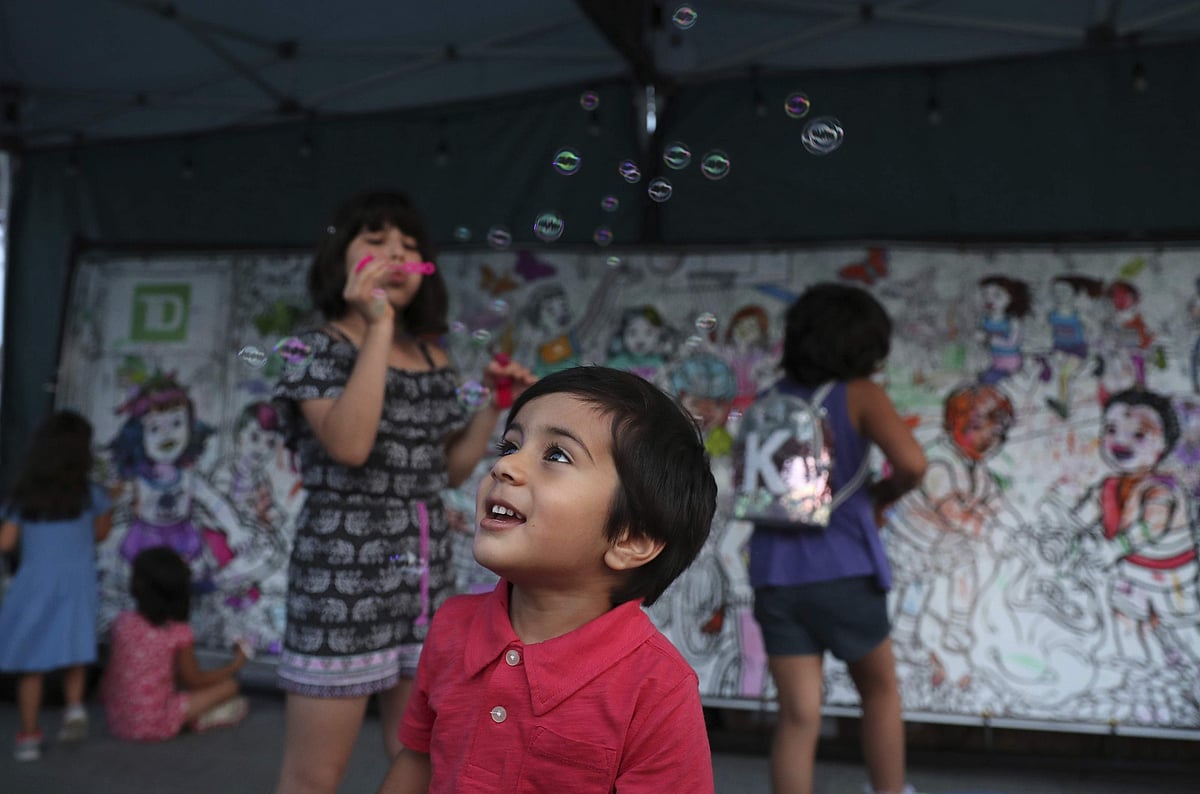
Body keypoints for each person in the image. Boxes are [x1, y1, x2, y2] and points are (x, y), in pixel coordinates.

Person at [272, 190, 535, 794]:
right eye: (377, 240)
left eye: (409, 245)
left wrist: (491, 407)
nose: (396, 252)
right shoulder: (312, 349)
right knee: (316, 773)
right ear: (342, 256)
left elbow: (444, 472)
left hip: (422, 569)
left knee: (419, 758)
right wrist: (377, 326)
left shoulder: (433, 357)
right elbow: (350, 446)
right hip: (340, 576)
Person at [380, 366, 719, 793]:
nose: (506, 467)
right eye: (511, 445)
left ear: (630, 539)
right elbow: (418, 762)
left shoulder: (659, 691)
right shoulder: (451, 626)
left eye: (557, 455)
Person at [748, 283, 927, 794]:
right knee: (880, 692)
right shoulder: (859, 395)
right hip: (843, 569)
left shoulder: (767, 400)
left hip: (774, 575)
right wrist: (882, 494)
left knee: (798, 716)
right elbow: (913, 464)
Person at [0, 411, 115, 761]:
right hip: (76, 584)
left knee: (31, 663)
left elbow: (4, 543)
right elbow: (100, 534)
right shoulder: (91, 494)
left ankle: (29, 737)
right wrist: (114, 503)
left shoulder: (23, 497)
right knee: (75, 646)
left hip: (34, 585)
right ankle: (75, 707)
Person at [102, 546, 250, 740]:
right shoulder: (178, 633)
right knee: (230, 687)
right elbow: (194, 680)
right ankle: (199, 718)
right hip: (154, 722)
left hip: (118, 720)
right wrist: (236, 664)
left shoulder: (122, 623)